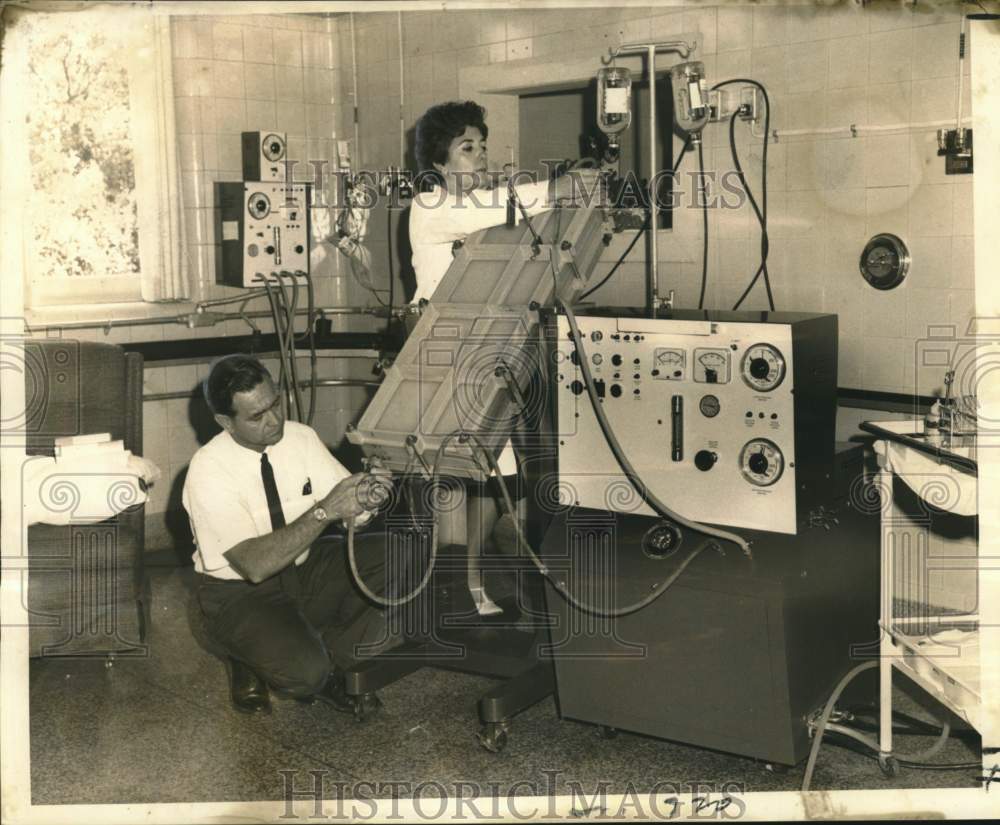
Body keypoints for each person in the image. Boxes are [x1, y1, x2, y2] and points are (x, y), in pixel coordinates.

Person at [408, 100, 601, 615]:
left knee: (505, 478)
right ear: (439, 165)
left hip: (487, 348)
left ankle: (484, 569)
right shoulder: (431, 206)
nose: (481, 156)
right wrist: (563, 186)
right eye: (467, 148)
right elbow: (512, 203)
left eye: (483, 146)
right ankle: (462, 582)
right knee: (473, 471)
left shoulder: (482, 210)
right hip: (442, 351)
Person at [183, 355, 393, 715]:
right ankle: (253, 654)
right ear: (224, 422)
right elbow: (255, 566)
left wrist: (368, 497)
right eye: (256, 416)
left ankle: (332, 658)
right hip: (240, 594)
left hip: (302, 568)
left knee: (399, 552)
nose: (275, 420)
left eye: (275, 403)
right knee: (306, 675)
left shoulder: (300, 437)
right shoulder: (207, 470)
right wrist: (326, 509)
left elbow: (350, 513)